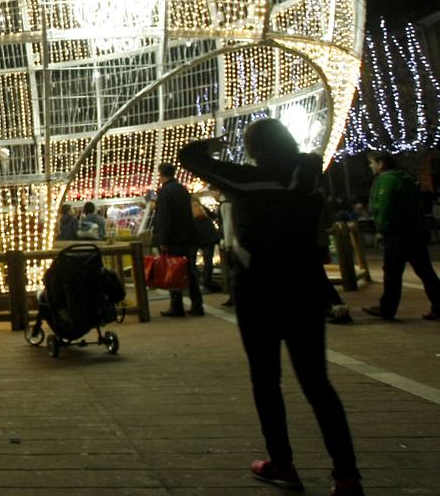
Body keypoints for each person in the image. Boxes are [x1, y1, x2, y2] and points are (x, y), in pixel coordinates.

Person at [180, 120, 362, 496]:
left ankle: (282, 463)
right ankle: (347, 475)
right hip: (305, 287)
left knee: (266, 380)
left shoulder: (248, 180)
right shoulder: (308, 174)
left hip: (260, 289)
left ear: (254, 149)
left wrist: (212, 145)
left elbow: (188, 157)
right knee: (317, 383)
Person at [362, 152, 440, 321]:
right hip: (415, 233)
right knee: (425, 271)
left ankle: (387, 308)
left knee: (392, 273)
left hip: (397, 235)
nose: (370, 166)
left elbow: (385, 208)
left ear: (381, 163)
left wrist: (382, 229)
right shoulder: (406, 179)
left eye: (372, 163)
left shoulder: (386, 181)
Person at [153, 162, 203, 317]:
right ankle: (197, 305)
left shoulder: (165, 192)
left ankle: (177, 306)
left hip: (174, 239)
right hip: (188, 237)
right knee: (190, 272)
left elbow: (165, 218)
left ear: (161, 174)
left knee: (173, 272)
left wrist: (164, 240)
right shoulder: (182, 189)